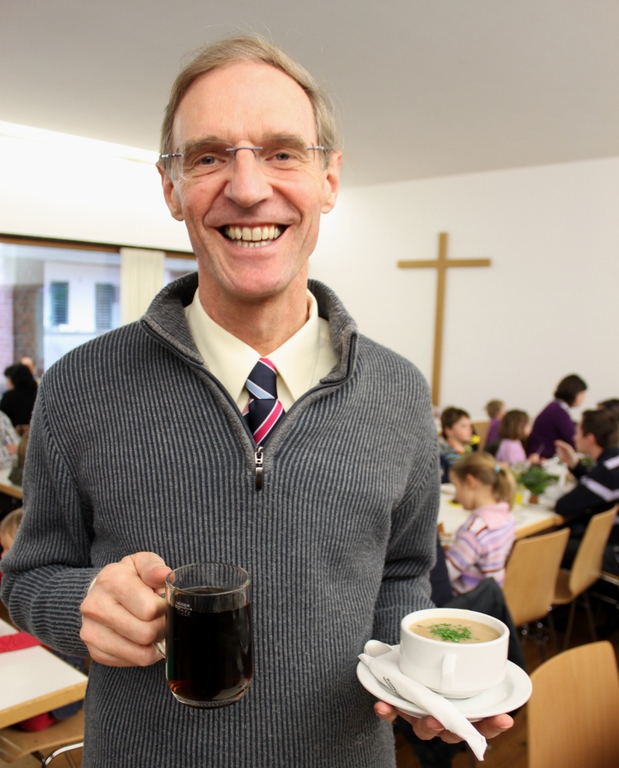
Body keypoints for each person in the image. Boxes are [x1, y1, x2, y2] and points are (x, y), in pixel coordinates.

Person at [1, 36, 511, 767]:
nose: (246, 188)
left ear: (328, 178)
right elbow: (29, 576)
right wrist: (78, 606)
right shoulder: (80, 384)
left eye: (281, 152)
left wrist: (425, 679)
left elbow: (402, 574)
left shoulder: (399, 392)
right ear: (171, 187)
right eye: (209, 156)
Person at [555, 409, 619, 574]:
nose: (574, 437)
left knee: (551, 545)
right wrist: (575, 465)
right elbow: (595, 489)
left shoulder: (607, 471)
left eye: (577, 432)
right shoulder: (614, 461)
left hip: (613, 551)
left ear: (590, 439)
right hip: (610, 538)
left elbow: (563, 506)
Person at [445, 452, 517, 594]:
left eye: (456, 486)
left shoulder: (474, 530)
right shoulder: (508, 518)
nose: (456, 496)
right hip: (488, 599)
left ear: (470, 482)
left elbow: (445, 574)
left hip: (463, 602)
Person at [527, 374, 587, 460]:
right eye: (582, 394)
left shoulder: (555, 407)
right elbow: (573, 440)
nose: (583, 399)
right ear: (574, 392)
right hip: (543, 458)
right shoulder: (558, 412)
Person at [439, 406, 476, 482]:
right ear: (448, 430)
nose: (469, 429)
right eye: (463, 426)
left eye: (470, 426)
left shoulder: (468, 448)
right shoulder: (445, 452)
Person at [0, 363, 38, 428]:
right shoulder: (38, 394)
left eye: (8, 379)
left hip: (14, 433)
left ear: (14, 379)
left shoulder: (9, 397)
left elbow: (2, 420)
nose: (7, 383)